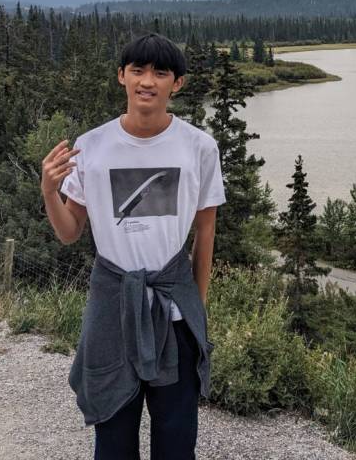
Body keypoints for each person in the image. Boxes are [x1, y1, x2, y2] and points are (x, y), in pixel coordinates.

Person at [40, 32, 225, 460]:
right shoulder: (92, 146)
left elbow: (205, 233)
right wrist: (49, 192)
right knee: (113, 436)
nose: (147, 81)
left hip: (174, 311)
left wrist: (196, 308)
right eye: (138, 70)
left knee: (176, 439)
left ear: (177, 83)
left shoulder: (199, 147)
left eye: (160, 73)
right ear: (121, 76)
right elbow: (70, 231)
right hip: (112, 308)